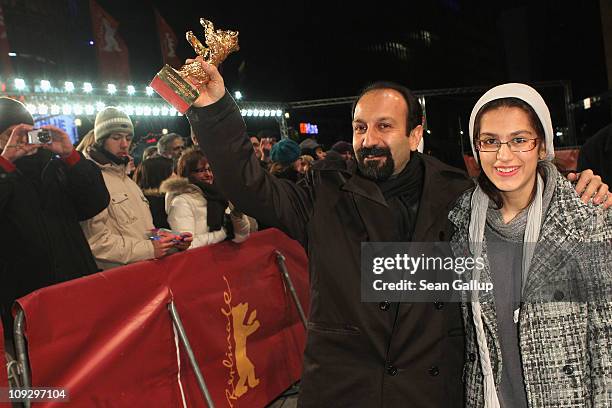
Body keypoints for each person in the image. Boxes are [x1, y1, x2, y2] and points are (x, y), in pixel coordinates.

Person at [183, 58, 610, 407]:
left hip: (427, 391)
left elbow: (521, 202)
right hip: (344, 390)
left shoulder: (459, 196)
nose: (369, 139)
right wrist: (215, 110)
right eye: (360, 127)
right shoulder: (322, 192)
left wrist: (577, 191)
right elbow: (248, 186)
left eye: (385, 127)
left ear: (416, 134)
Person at [449, 83, 611, 407]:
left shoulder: (588, 218)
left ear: (541, 147)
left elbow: (607, 346)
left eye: (520, 140)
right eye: (490, 141)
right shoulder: (461, 225)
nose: (503, 155)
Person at [0, 97, 109, 349]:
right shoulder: (4, 173)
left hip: (76, 289)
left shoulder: (57, 167)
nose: (20, 140)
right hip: (24, 301)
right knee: (43, 375)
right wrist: (5, 165)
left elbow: (95, 203)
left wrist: (71, 156)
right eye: (10, 134)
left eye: (26, 132)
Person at [80, 107, 191, 270]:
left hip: (144, 273)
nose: (124, 144)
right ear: (101, 140)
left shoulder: (128, 180)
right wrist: (150, 249)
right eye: (116, 137)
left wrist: (172, 240)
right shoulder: (92, 179)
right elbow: (97, 243)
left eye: (128, 137)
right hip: (118, 279)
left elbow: (144, 231)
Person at [160, 148, 249, 248]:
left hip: (226, 259)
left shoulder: (219, 196)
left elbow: (241, 236)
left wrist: (237, 214)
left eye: (210, 169)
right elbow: (187, 246)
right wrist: (224, 233)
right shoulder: (181, 202)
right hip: (201, 262)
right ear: (188, 173)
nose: (208, 174)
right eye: (201, 170)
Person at [133, 155, 174, 229]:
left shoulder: (137, 200)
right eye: (171, 172)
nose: (175, 175)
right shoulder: (161, 203)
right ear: (160, 176)